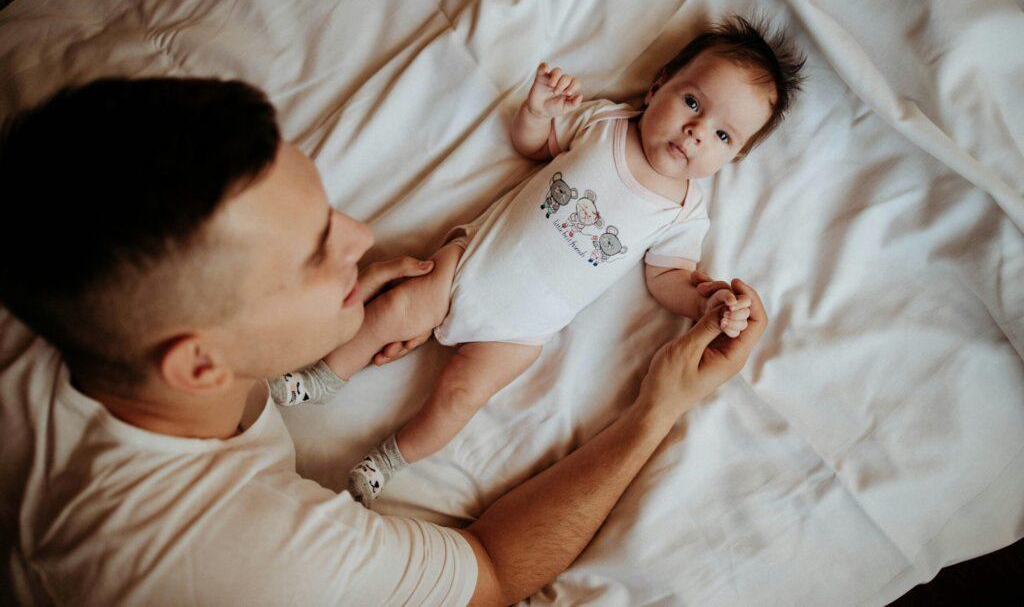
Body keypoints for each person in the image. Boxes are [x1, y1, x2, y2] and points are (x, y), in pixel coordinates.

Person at [0, 76, 767, 605]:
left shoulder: (52, 282)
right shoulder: (268, 556)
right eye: (315, 252)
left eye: (328, 215)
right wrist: (658, 407)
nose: (363, 237)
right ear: (200, 363)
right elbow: (496, 573)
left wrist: (318, 305)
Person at [336, 17, 804, 503]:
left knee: (460, 397)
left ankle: (386, 463)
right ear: (658, 85)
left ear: (734, 157)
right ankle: (323, 375)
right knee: (394, 309)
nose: (697, 131)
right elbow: (535, 145)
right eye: (692, 103)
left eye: (724, 136)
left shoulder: (684, 213)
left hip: (520, 332)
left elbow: (668, 276)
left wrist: (706, 302)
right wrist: (537, 113)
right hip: (471, 264)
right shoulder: (604, 123)